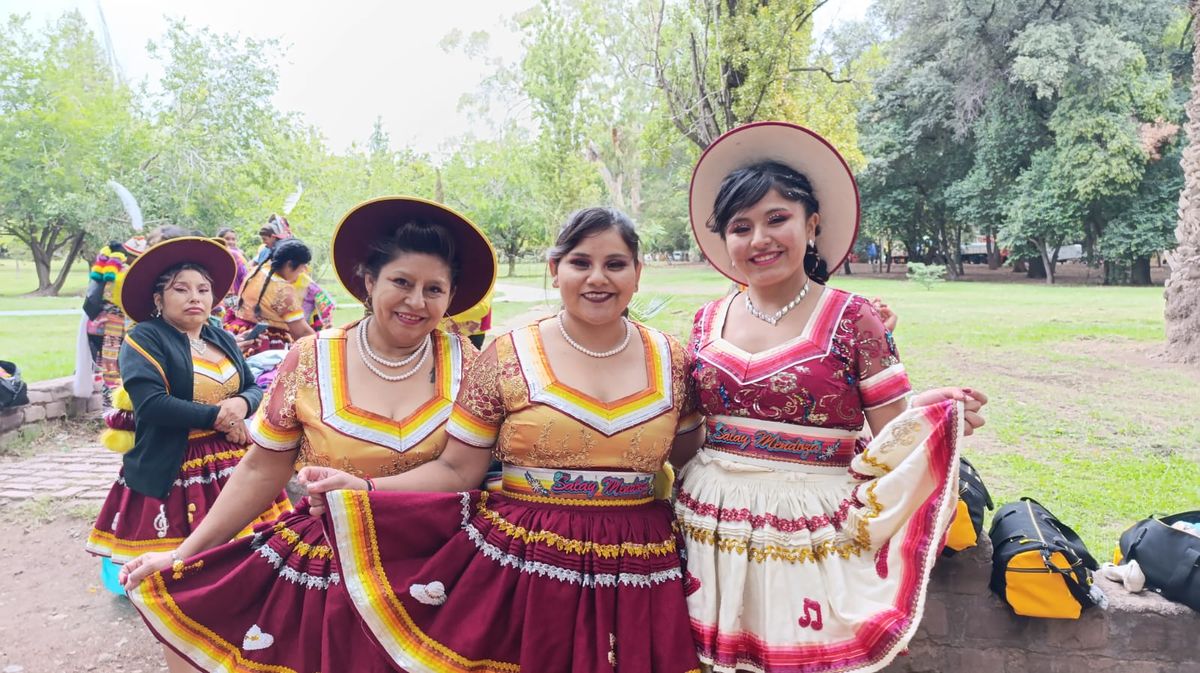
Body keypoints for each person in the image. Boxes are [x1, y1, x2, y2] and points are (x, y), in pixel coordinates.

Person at [302, 207, 704, 672]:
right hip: (528, 565)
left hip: (640, 562)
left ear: (638, 273)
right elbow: (458, 469)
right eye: (580, 262)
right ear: (555, 270)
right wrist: (365, 489)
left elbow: (688, 452)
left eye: (615, 264)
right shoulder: (508, 355)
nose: (598, 278)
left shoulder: (672, 359)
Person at [120, 197, 496, 673]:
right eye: (401, 282)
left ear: (452, 294)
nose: (416, 302)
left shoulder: (470, 364)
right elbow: (262, 467)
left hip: (443, 569)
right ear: (368, 281)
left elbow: (462, 469)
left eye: (434, 289)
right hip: (333, 567)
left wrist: (366, 490)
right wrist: (184, 553)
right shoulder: (312, 357)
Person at [677, 121, 988, 673]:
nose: (759, 240)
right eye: (740, 226)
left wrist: (939, 415)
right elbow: (689, 429)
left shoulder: (853, 318)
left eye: (777, 219)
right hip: (707, 527)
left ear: (812, 224)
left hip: (810, 531)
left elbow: (892, 429)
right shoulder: (704, 322)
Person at [85, 237, 291, 594]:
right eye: (181, 289)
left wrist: (241, 405)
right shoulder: (144, 339)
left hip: (235, 464)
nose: (195, 297)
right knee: (181, 577)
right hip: (178, 466)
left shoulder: (219, 336)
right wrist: (219, 417)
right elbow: (151, 404)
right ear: (158, 299)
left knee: (242, 562)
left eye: (203, 289)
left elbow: (254, 386)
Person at [224, 238, 316, 355]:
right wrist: (322, 345)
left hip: (239, 334)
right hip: (263, 344)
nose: (303, 271)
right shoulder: (283, 290)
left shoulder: (257, 270)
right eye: (302, 267)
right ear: (289, 264)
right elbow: (302, 332)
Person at [215, 227, 250, 296]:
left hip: (237, 295)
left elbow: (244, 276)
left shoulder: (238, 256)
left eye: (233, 239)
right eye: (227, 239)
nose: (231, 242)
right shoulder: (214, 255)